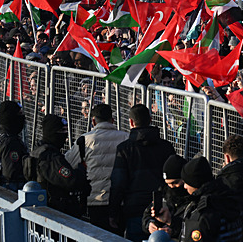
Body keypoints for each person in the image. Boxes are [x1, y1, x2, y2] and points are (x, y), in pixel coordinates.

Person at [109, 104, 176, 242]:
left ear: (131, 122)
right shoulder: (166, 147)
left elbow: (118, 184)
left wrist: (113, 213)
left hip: (134, 209)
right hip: (161, 209)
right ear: (150, 119)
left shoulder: (124, 149)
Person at [64, 103, 129, 231]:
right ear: (112, 120)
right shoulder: (126, 138)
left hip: (95, 199)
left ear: (93, 121)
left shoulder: (85, 140)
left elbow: (68, 163)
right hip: (121, 200)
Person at [25, 114, 91, 217]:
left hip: (44, 207)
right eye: (62, 131)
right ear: (52, 132)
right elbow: (70, 180)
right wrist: (81, 170)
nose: (65, 135)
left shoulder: (38, 151)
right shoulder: (51, 157)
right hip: (55, 211)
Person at [177, 156, 242, 242]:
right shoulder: (227, 197)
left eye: (186, 183)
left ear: (195, 183)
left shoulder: (204, 211)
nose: (184, 187)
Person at [142, 155, 192, 239]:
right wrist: (150, 224)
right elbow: (147, 214)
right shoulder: (164, 194)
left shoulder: (193, 199)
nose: (171, 187)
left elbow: (193, 227)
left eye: (175, 183)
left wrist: (171, 224)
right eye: (168, 184)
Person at [0, 100, 28, 191]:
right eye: (19, 114)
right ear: (11, 117)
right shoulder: (10, 142)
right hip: (7, 192)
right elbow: (11, 174)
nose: (22, 118)